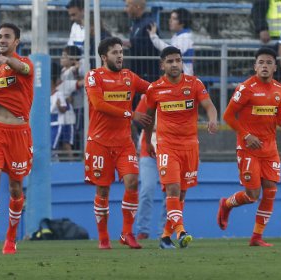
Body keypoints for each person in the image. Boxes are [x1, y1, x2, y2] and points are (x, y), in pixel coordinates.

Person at [144, 46, 218, 249]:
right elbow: (149, 118)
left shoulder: (194, 83)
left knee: (181, 194)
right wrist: (146, 142)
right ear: (162, 65)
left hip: (190, 146)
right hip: (167, 146)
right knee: (173, 188)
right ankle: (181, 231)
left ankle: (166, 236)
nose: (175, 64)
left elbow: (209, 105)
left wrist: (213, 119)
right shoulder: (155, 88)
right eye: (170, 61)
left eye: (178, 60)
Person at [84, 37, 152, 249]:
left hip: (124, 143)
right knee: (103, 191)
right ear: (104, 57)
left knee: (132, 181)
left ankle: (126, 233)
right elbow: (98, 104)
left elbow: (152, 89)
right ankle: (103, 237)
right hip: (99, 143)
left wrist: (173, 88)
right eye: (115, 52)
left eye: (121, 51)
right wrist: (130, 114)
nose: (120, 55)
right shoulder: (94, 76)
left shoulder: (128, 76)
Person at [217, 47, 281, 247]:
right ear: (255, 66)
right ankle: (226, 204)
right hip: (248, 149)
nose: (265, 66)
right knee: (252, 195)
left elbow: (279, 117)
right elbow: (228, 116)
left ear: (275, 67)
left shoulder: (279, 89)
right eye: (261, 62)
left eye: (269, 63)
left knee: (271, 190)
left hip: (270, 149)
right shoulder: (245, 88)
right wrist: (246, 135)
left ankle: (256, 237)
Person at [0, 23, 34, 255]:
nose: (1, 40)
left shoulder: (26, 64)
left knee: (15, 187)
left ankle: (11, 239)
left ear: (16, 41)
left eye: (7, 37)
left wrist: (7, 63)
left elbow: (22, 68)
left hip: (19, 134)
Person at [135, 95, 166, 240]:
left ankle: (164, 231)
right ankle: (143, 230)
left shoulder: (183, 94)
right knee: (147, 189)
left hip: (170, 147)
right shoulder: (149, 95)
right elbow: (136, 118)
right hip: (148, 147)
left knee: (171, 192)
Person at [148, 8, 194, 75]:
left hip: (184, 76)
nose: (170, 21)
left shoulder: (185, 37)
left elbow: (170, 51)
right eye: (170, 18)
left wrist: (153, 37)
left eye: (174, 19)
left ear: (182, 22)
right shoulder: (179, 35)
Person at [125, 0, 160, 83]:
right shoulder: (136, 24)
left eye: (127, 6)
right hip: (137, 72)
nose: (125, 9)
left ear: (138, 7)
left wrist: (131, 44)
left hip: (147, 74)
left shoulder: (148, 24)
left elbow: (151, 49)